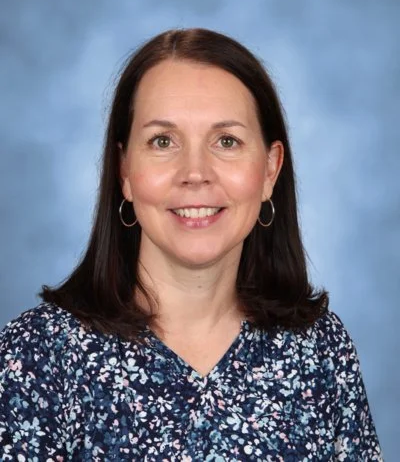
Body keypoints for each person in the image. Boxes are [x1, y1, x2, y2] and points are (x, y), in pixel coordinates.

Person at [0, 28, 383, 461]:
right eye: (163, 141)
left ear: (270, 170)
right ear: (124, 170)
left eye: (227, 141)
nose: (195, 173)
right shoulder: (38, 355)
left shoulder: (321, 350)